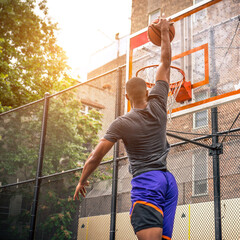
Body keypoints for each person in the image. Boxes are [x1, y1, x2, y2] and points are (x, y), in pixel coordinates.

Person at [73, 17, 178, 240]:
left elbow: (95, 156)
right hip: (168, 183)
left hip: (148, 183)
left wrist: (82, 180)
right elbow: (165, 63)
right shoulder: (159, 102)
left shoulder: (121, 123)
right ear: (148, 92)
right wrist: (165, 33)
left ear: (127, 97)